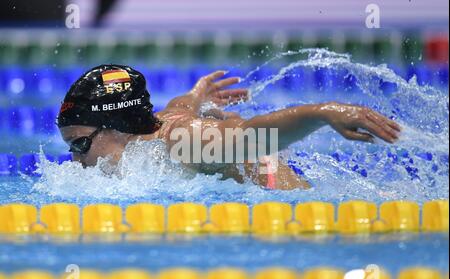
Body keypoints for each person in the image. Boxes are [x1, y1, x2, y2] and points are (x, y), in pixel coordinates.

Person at [57, 64, 401, 190]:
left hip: (288, 209)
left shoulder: (180, 141)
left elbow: (253, 137)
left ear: (115, 127)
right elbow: (182, 104)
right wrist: (198, 94)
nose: (74, 159)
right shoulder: (157, 125)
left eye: (78, 144)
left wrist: (322, 113)